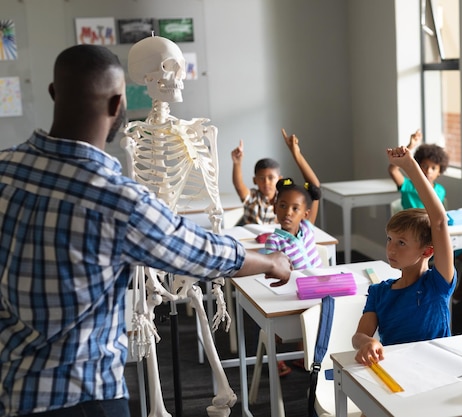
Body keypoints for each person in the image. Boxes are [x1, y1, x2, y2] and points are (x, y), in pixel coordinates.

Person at [0, 44, 291, 417]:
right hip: (86, 394)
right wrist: (269, 262)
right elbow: (198, 251)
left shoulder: (6, 169)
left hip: (14, 388)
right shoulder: (115, 198)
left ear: (54, 93)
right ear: (118, 104)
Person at [352, 145, 457, 366]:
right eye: (389, 239)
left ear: (427, 251)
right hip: (396, 372)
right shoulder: (379, 292)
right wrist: (367, 342)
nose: (391, 249)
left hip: (437, 371)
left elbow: (438, 221)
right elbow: (358, 336)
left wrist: (411, 166)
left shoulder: (438, 284)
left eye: (401, 243)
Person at [387, 129, 462, 305]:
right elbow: (393, 170)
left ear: (440, 170)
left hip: (435, 239)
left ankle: (459, 294)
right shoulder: (408, 185)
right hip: (417, 241)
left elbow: (439, 219)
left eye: (433, 168)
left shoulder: (440, 190)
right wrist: (410, 148)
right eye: (424, 166)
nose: (428, 171)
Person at [231, 128, 321, 225]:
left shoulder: (286, 200)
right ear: (275, 208)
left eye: (271, 178)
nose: (266, 182)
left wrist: (296, 154)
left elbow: (314, 187)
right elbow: (239, 186)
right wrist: (237, 163)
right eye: (262, 178)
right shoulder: (254, 197)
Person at [264, 178, 323, 270]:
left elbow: (315, 184)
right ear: (275, 208)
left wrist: (298, 162)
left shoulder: (307, 227)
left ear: (305, 214)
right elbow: (272, 271)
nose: (288, 212)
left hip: (321, 281)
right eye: (283, 206)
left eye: (295, 208)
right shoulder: (274, 241)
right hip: (296, 283)